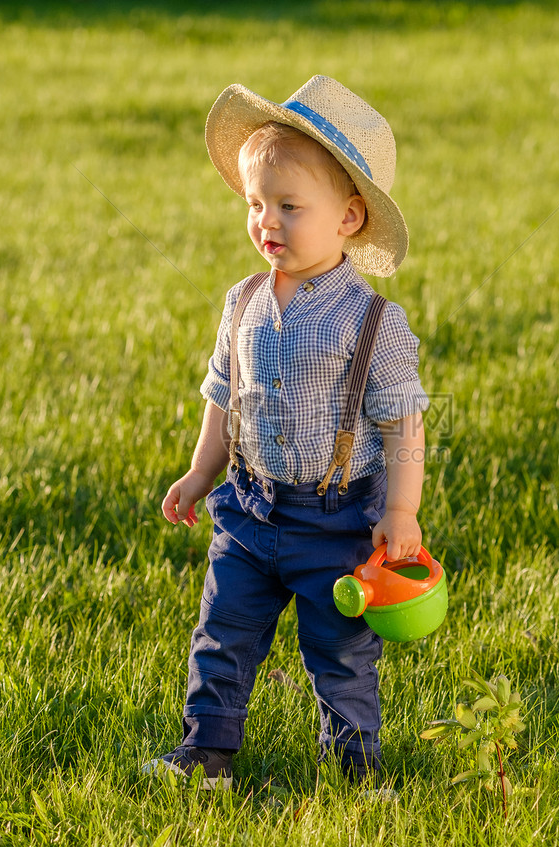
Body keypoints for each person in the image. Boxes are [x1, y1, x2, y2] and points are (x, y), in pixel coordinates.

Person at [143, 75, 429, 788]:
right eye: (256, 204)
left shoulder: (371, 323)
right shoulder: (241, 301)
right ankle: (207, 755)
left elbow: (404, 423)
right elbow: (223, 399)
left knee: (339, 649)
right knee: (223, 637)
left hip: (334, 521)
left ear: (349, 218)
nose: (267, 220)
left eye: (289, 207)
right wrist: (199, 472)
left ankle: (357, 767)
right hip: (246, 508)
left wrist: (400, 512)